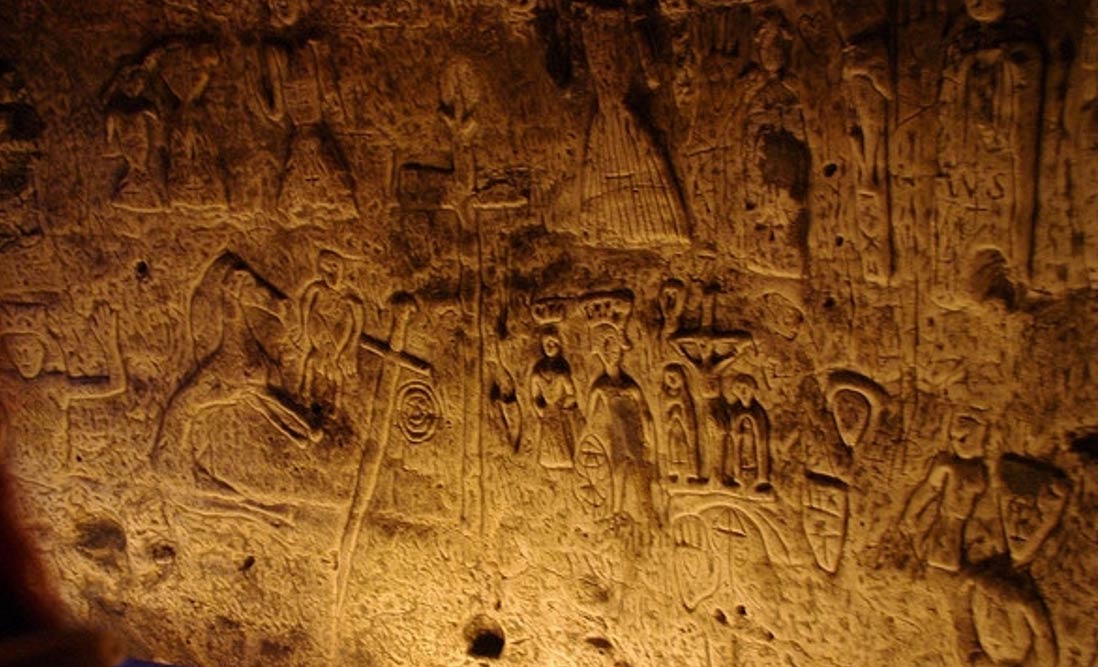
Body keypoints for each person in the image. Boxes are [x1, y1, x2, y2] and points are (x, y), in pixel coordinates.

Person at [529, 325, 578, 469]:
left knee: (561, 438)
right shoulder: (538, 370)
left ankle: (564, 460)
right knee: (548, 440)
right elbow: (535, 395)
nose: (550, 347)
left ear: (559, 345)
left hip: (559, 409)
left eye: (554, 344)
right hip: (548, 411)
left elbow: (571, 393)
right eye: (547, 344)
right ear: (542, 346)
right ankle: (548, 461)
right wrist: (539, 408)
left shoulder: (562, 370)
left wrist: (565, 406)